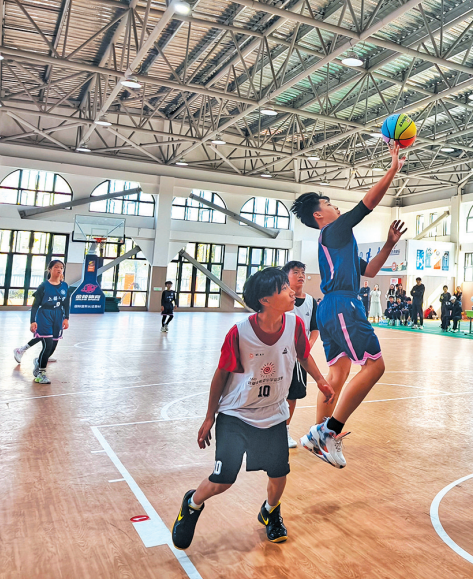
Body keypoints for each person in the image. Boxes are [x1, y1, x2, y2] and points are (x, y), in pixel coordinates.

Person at [171, 268, 333, 549]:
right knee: (223, 481)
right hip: (237, 415)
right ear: (265, 300)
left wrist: (321, 380)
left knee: (279, 475)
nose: (292, 291)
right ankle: (192, 503)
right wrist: (209, 417)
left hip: (273, 414)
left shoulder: (294, 325)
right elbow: (221, 374)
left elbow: (303, 355)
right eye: (284, 288)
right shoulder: (240, 333)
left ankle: (270, 512)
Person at [290, 142, 407, 468]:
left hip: (330, 309)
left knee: (337, 376)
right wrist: (393, 168)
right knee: (375, 366)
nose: (336, 207)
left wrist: (388, 245)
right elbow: (366, 205)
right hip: (343, 305)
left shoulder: (337, 243)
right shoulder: (333, 230)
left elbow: (369, 271)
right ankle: (329, 432)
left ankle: (318, 433)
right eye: (329, 203)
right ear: (319, 214)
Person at [281, 261, 320, 449]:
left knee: (292, 395)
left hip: (299, 358)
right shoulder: (281, 299)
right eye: (295, 272)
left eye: (303, 272)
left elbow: (314, 329)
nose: (300, 275)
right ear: (286, 276)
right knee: (276, 394)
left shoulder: (311, 301)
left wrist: (308, 346)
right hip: (280, 355)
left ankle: (284, 431)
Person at [27, 260, 70, 384]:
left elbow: (66, 303)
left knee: (53, 346)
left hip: (58, 316)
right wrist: (32, 321)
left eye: (61, 267)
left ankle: (39, 362)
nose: (59, 269)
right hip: (45, 315)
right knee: (48, 345)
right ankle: (40, 374)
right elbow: (35, 305)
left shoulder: (64, 286)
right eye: (56, 267)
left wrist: (66, 318)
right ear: (49, 269)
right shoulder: (43, 286)